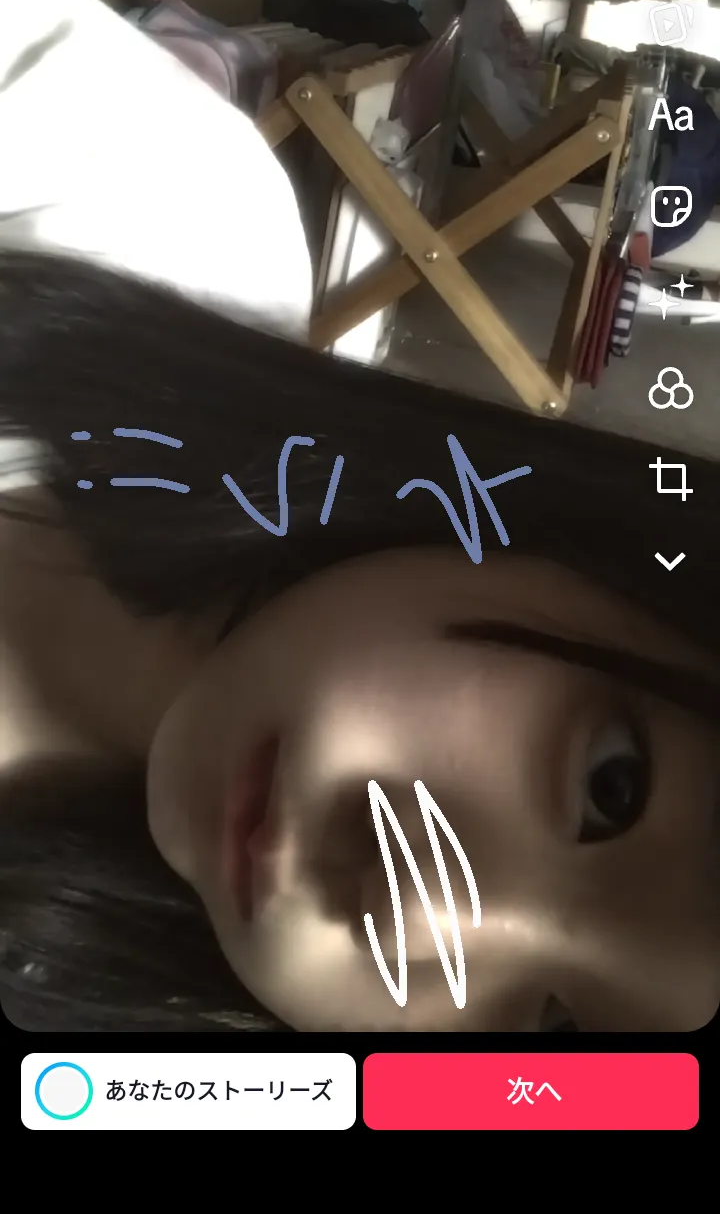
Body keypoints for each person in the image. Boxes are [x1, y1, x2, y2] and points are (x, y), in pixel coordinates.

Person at [1, 248, 719, 1035]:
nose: (412, 909)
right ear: (618, 557)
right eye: (612, 786)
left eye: (554, 1033)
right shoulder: (159, 227)